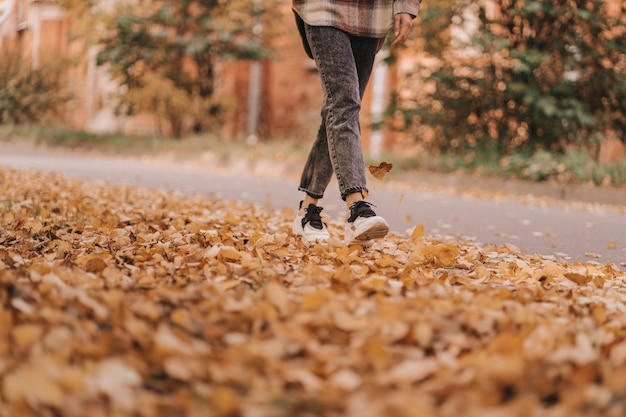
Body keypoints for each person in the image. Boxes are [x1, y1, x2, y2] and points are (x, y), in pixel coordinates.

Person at [291, 0, 421, 246]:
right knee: (344, 104)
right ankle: (357, 209)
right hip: (324, 8)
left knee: (339, 109)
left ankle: (307, 210)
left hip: (373, 15)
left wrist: (405, 6)